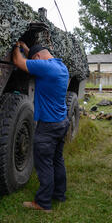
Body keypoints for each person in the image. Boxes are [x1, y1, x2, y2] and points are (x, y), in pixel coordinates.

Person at [12, 42, 70, 212]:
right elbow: (36, 56)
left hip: (48, 126)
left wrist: (16, 45)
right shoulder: (60, 66)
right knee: (57, 160)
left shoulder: (44, 68)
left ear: (37, 58)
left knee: (44, 164)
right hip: (62, 122)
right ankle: (59, 194)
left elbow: (18, 62)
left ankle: (43, 203)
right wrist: (27, 48)